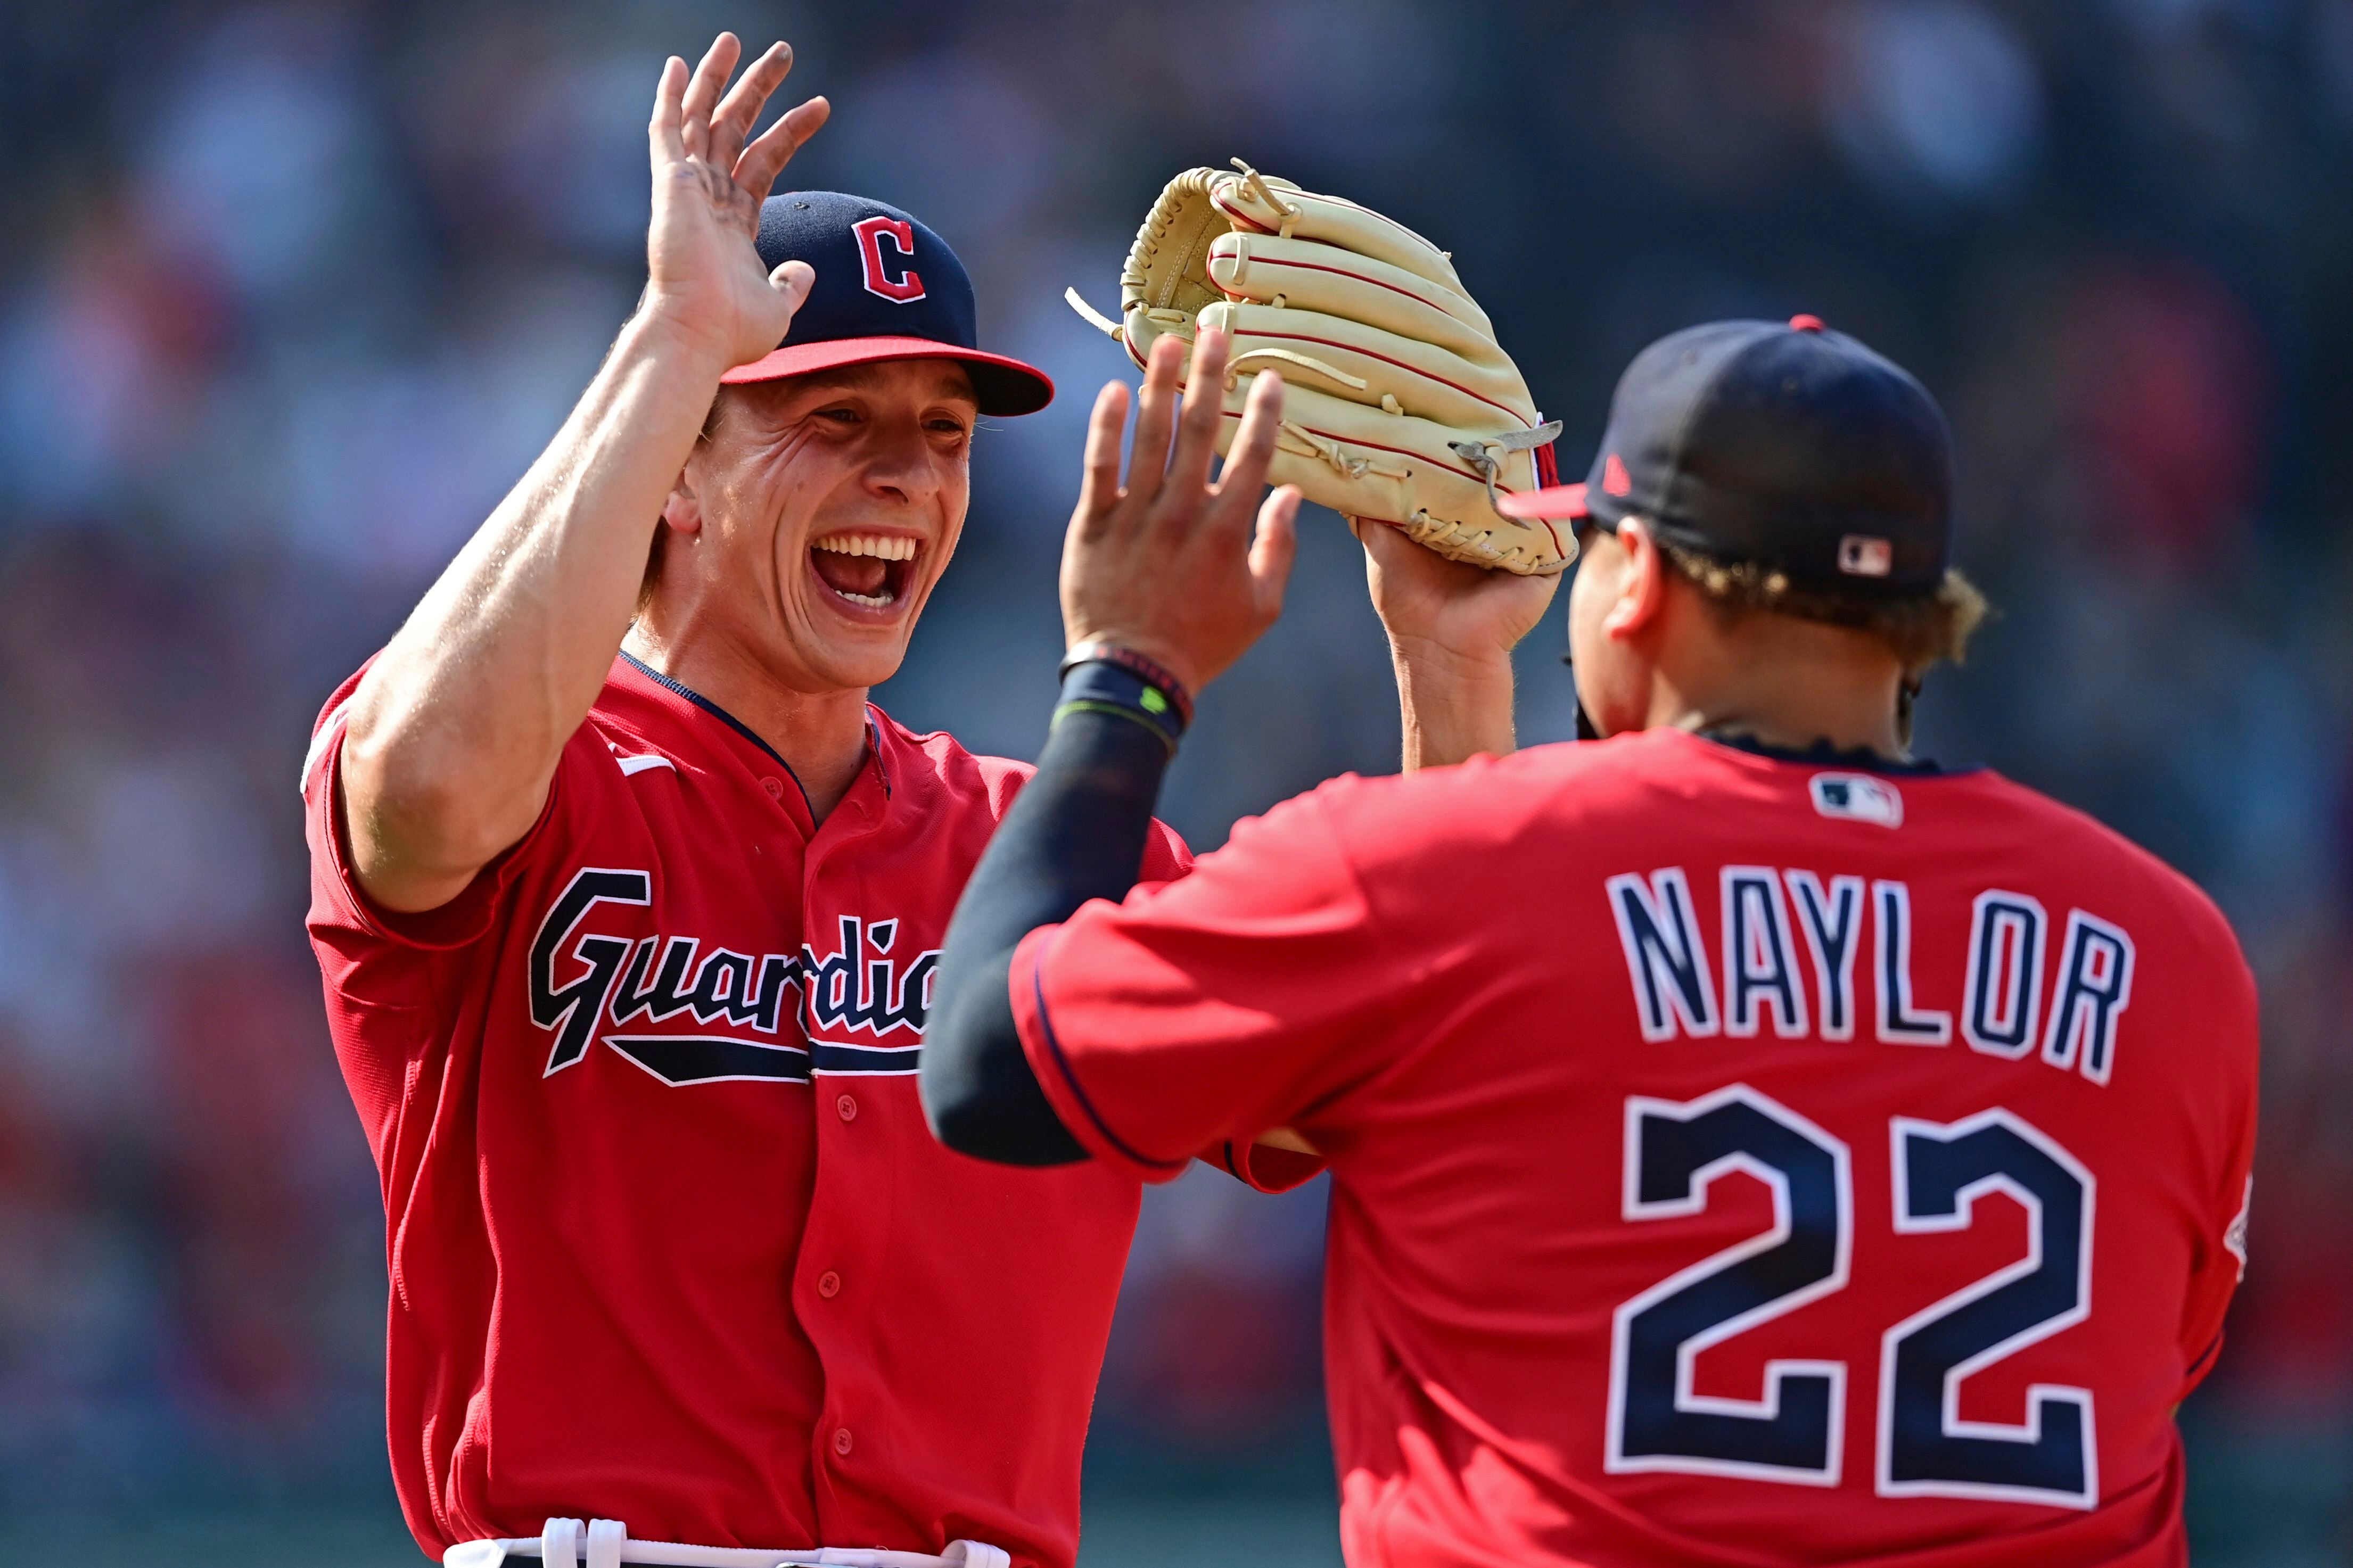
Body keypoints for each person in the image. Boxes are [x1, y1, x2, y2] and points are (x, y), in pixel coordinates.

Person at [922, 315, 2259, 1567]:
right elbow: (2157, 1354)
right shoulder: (2172, 951)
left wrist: (1126, 667)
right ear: (1917, 615)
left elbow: (989, 1064)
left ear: (1636, 583)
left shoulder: (1440, 878)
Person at [300, 34, 1331, 1568]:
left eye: (941, 434)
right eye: (831, 422)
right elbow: (424, 795)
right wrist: (672, 342)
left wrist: (1442, 664)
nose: (902, 479)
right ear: (673, 468)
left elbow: (1389, 1071)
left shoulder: (1031, 845)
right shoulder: (543, 776)